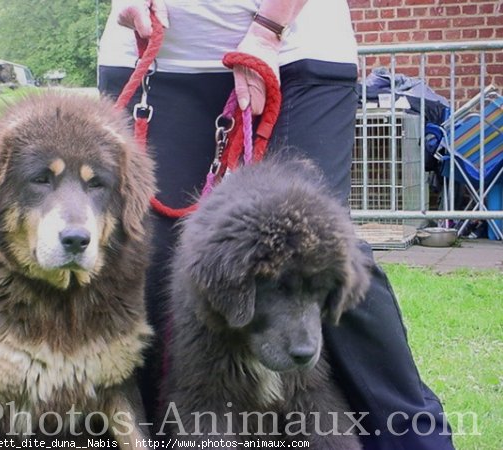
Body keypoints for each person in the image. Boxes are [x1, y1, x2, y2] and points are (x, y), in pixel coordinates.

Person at [98, 1, 456, 449]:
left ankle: (417, 440)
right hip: (160, 56)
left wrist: (269, 27)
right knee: (154, 265)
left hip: (296, 52)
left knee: (327, 253)